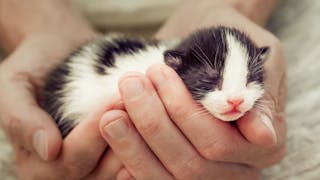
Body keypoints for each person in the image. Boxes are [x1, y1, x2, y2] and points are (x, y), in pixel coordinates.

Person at [0, 0, 286, 179]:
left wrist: (234, 5)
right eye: (216, 82)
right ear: (176, 65)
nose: (236, 99)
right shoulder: (157, 72)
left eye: (249, 81)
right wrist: (39, 26)